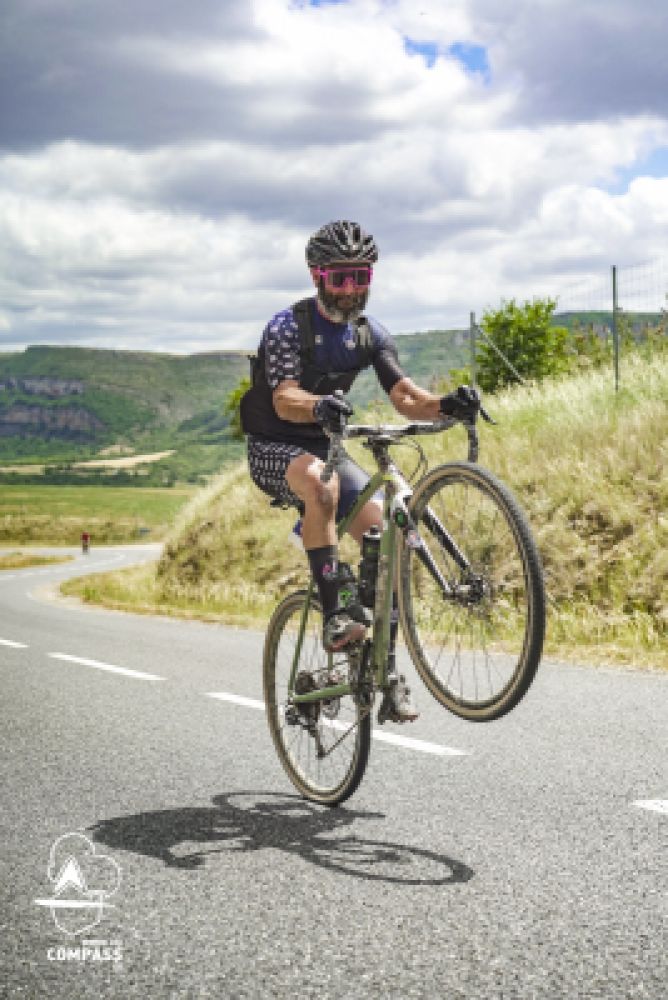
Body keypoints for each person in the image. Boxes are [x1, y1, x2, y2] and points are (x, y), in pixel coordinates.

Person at [240, 220, 480, 722]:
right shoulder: (288, 327)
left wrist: (448, 404)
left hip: (327, 443)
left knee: (387, 539)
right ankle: (335, 612)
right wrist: (320, 405)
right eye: (339, 278)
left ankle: (379, 671)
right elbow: (283, 399)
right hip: (275, 442)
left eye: (361, 276)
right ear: (317, 276)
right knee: (322, 488)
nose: (351, 290)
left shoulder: (370, 334)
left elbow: (406, 397)